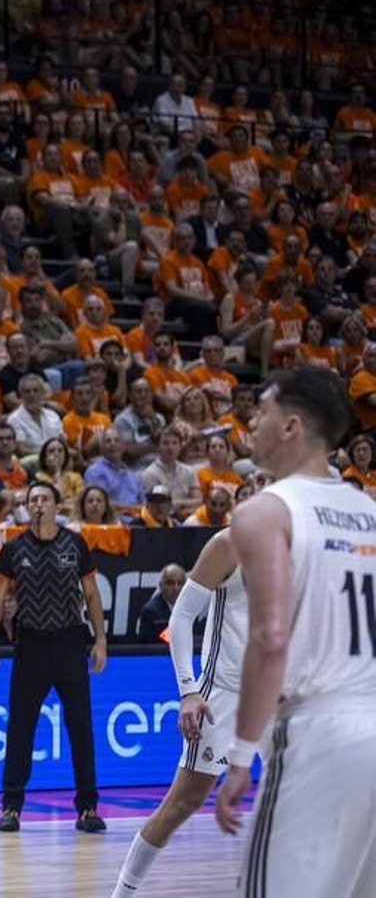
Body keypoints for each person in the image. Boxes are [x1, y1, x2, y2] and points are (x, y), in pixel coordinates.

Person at [214, 366, 376, 895]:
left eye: (262, 410)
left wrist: (240, 757)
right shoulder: (368, 510)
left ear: (291, 426)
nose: (252, 422)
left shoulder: (264, 511)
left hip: (318, 730)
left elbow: (271, 638)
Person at [111, 529, 245, 897]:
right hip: (225, 694)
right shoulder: (229, 544)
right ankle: (122, 894)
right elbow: (181, 617)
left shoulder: (309, 541)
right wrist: (188, 690)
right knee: (183, 802)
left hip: (283, 693)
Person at [0, 481, 108, 834]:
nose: (38, 505)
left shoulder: (75, 543)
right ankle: (11, 807)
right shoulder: (13, 548)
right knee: (20, 728)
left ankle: (87, 808)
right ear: (27, 507)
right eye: (32, 500)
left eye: (44, 499)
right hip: (31, 645)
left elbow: (92, 595)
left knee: (80, 726)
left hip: (70, 643)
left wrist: (100, 641)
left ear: (55, 505)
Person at [135, 563, 187, 643]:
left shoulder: (191, 608)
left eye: (180, 583)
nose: (176, 588)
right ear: (161, 586)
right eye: (170, 583)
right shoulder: (150, 612)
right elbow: (146, 645)